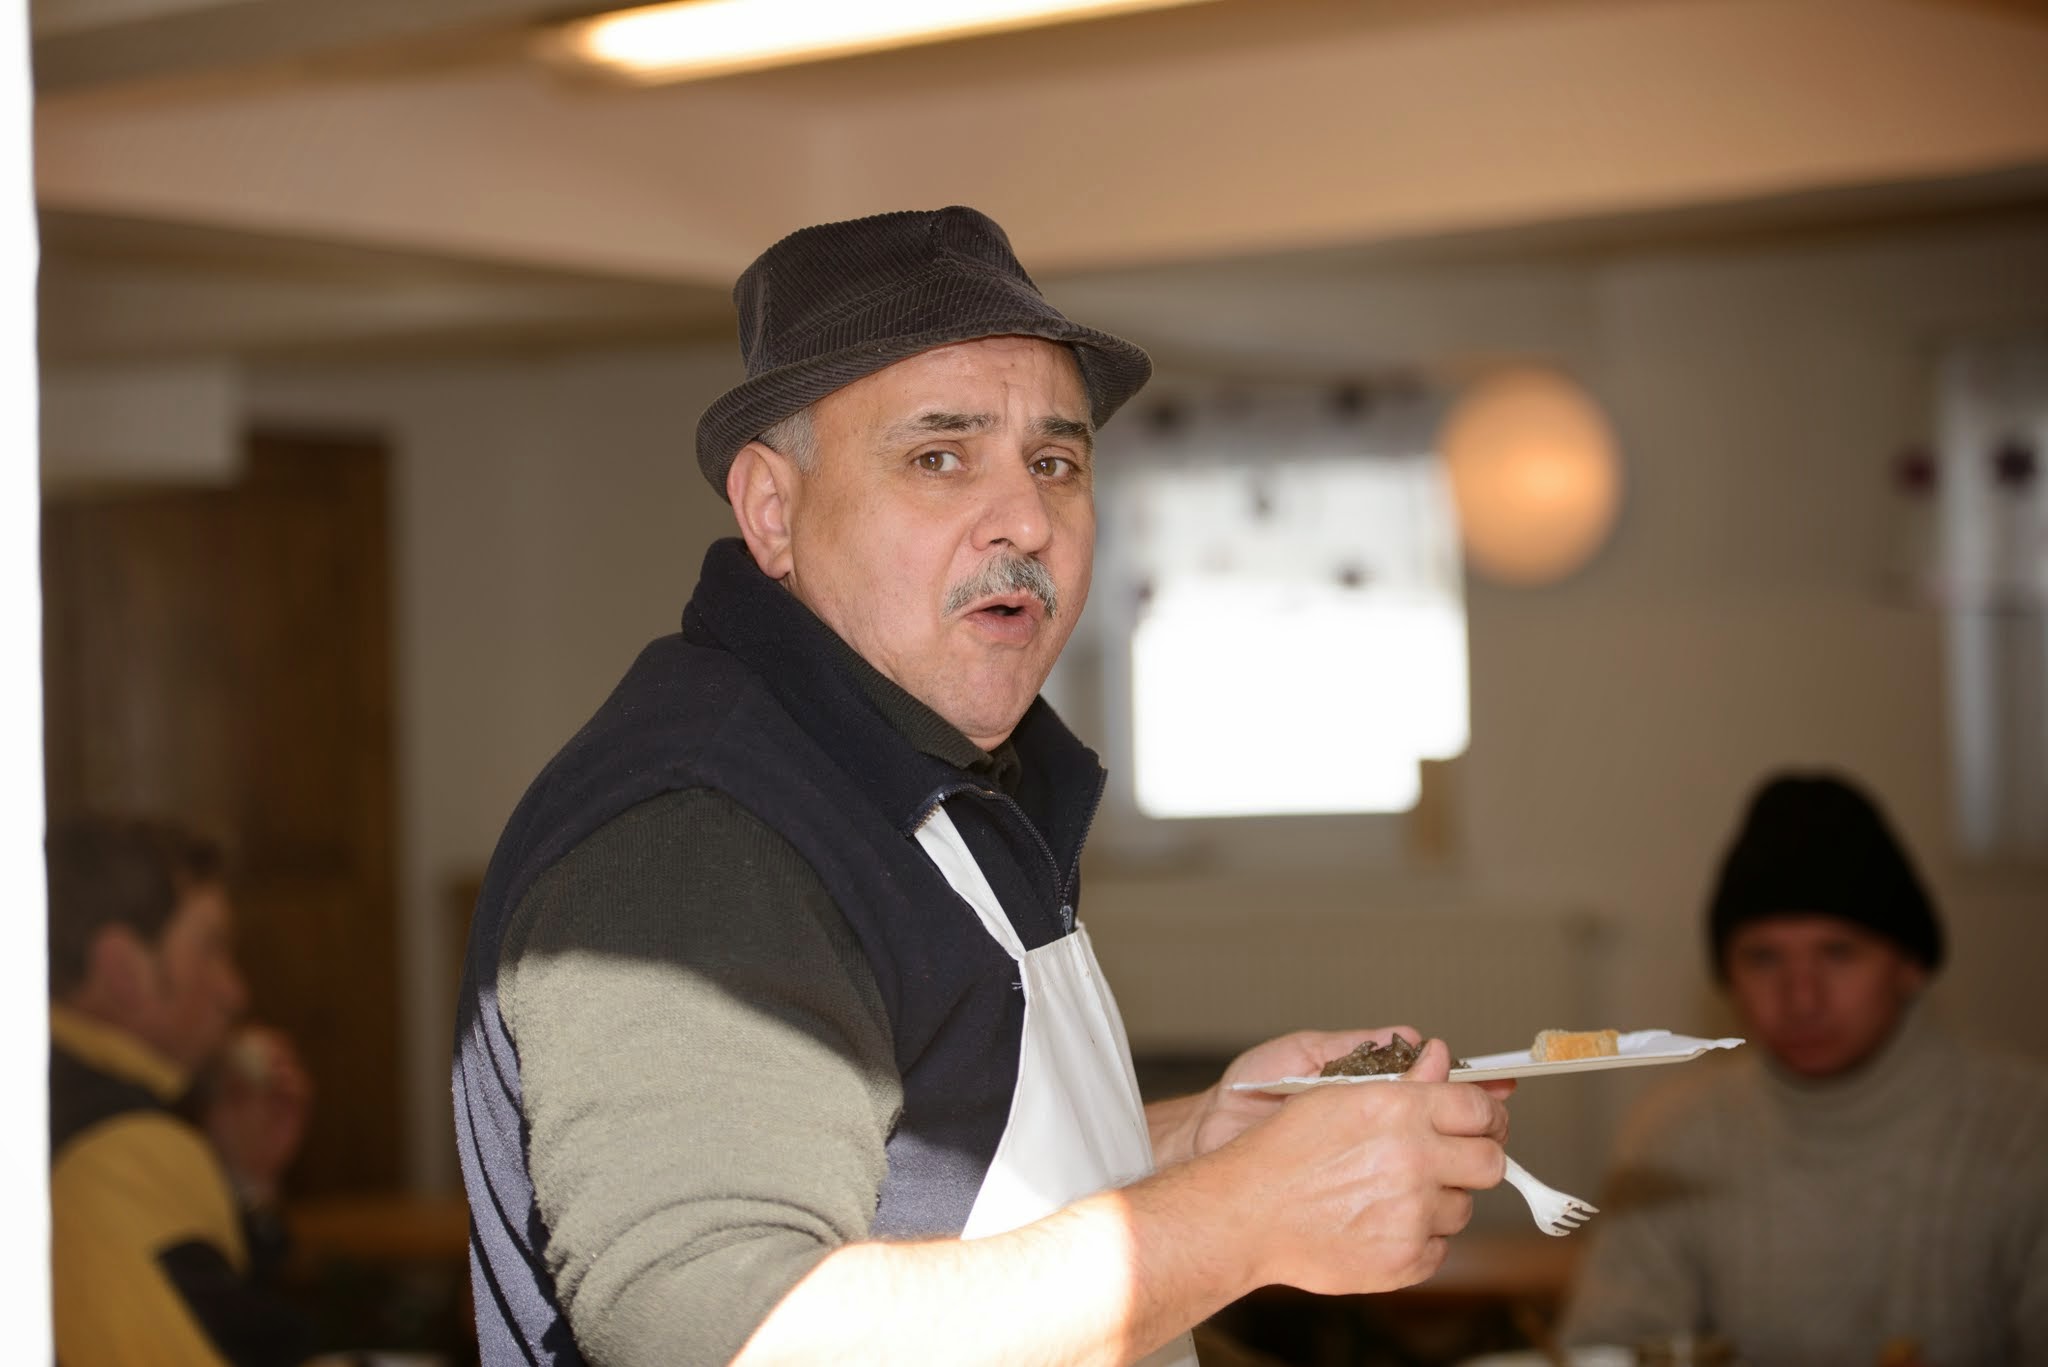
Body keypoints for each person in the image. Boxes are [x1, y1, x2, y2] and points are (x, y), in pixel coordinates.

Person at [452, 205, 1513, 1367]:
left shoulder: (929, 766)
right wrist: (1245, 1215)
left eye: (1053, 462)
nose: (1025, 520)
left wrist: (1206, 1142)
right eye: (937, 456)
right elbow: (735, 1333)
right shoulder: (700, 836)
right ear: (771, 510)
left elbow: (922, 1181)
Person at [1558, 772, 2048, 1365]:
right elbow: (1609, 1348)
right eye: (1764, 958)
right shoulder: (1671, 1141)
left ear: (1910, 966)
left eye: (1838, 952)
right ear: (1726, 977)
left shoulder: (2026, 1130)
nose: (1801, 996)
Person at [47, 814, 319, 1367]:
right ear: (124, 969)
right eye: (211, 949)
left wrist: (245, 1182)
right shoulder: (122, 1149)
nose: (234, 992)